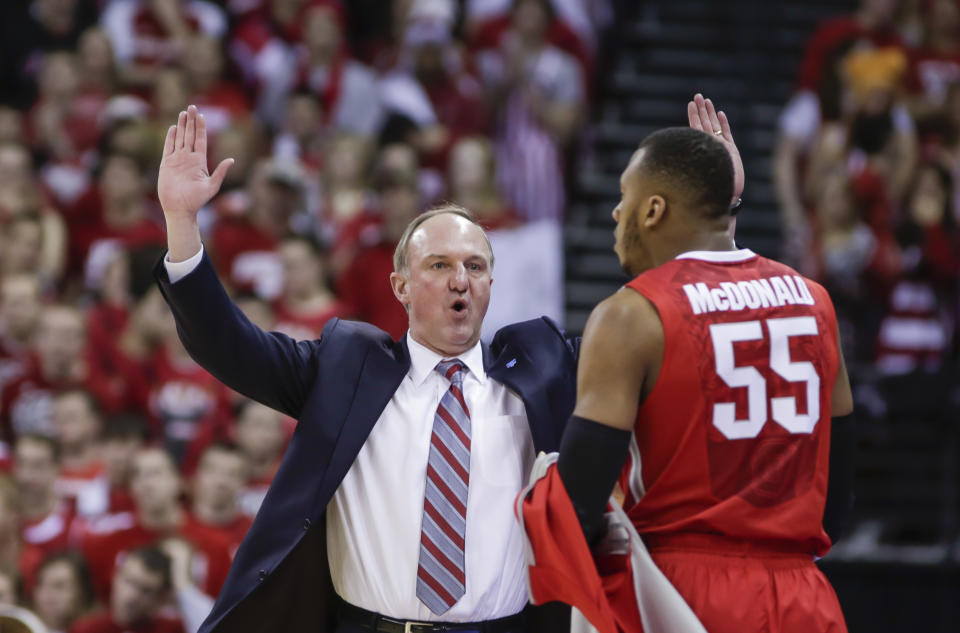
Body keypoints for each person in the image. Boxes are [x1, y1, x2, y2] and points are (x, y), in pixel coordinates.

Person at [153, 104, 582, 633]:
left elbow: (662, 346)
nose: (460, 281)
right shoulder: (347, 367)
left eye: (475, 267)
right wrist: (181, 224)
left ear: (492, 283)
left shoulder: (541, 367)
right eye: (439, 266)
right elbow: (230, 347)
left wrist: (713, 231)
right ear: (401, 287)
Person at [517, 122, 855, 631]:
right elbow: (837, 499)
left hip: (681, 594)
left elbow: (580, 505)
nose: (615, 213)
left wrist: (539, 491)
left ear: (653, 210)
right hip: (802, 595)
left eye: (624, 197)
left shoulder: (631, 315)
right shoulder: (815, 302)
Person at [69, 545, 185, 633]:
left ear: (161, 597)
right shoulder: (86, 629)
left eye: (146, 590)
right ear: (115, 576)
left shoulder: (174, 629)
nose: (132, 595)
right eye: (129, 582)